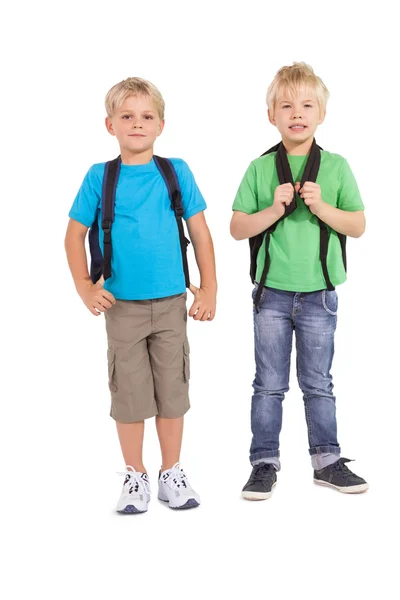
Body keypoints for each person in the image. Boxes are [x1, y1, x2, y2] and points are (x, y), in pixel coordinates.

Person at [65, 77, 217, 513]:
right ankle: (136, 475)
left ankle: (172, 472)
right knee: (129, 394)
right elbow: (74, 235)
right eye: (127, 116)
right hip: (121, 307)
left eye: (146, 116)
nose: (137, 123)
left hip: (171, 303)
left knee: (173, 389)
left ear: (161, 124)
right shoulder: (100, 176)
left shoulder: (176, 171)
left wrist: (209, 288)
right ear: (109, 124)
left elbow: (200, 233)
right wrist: (83, 287)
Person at [230, 62, 368, 499]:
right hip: (270, 294)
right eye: (286, 105)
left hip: (319, 295)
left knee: (318, 383)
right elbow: (236, 227)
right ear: (271, 114)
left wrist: (322, 207)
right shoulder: (259, 168)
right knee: (268, 383)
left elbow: (359, 225)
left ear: (321, 113)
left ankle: (326, 460)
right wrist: (272, 209)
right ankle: (263, 463)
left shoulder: (337, 166)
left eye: (307, 104)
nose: (297, 112)